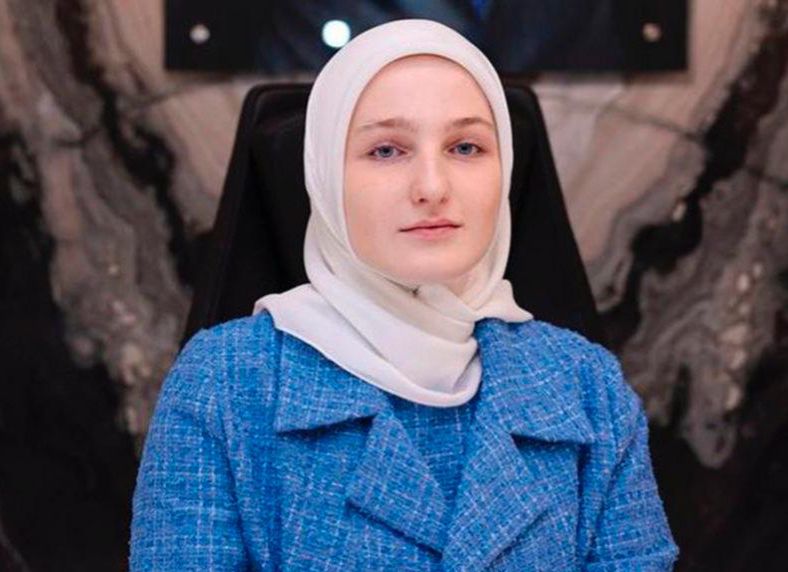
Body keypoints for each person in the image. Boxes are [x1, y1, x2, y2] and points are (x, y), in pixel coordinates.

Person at [130, 19, 679, 571]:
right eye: (387, 150)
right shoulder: (225, 383)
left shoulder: (587, 387)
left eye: (465, 147)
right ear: (325, 176)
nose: (433, 187)